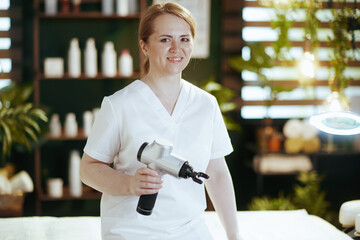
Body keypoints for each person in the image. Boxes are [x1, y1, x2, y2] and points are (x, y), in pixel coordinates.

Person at [80, 2, 241, 240]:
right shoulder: (119, 105)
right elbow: (87, 170)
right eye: (165, 39)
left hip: (189, 231)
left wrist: (235, 236)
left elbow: (216, 173)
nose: (177, 48)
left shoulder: (206, 105)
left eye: (184, 39)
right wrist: (130, 184)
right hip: (131, 232)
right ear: (144, 46)